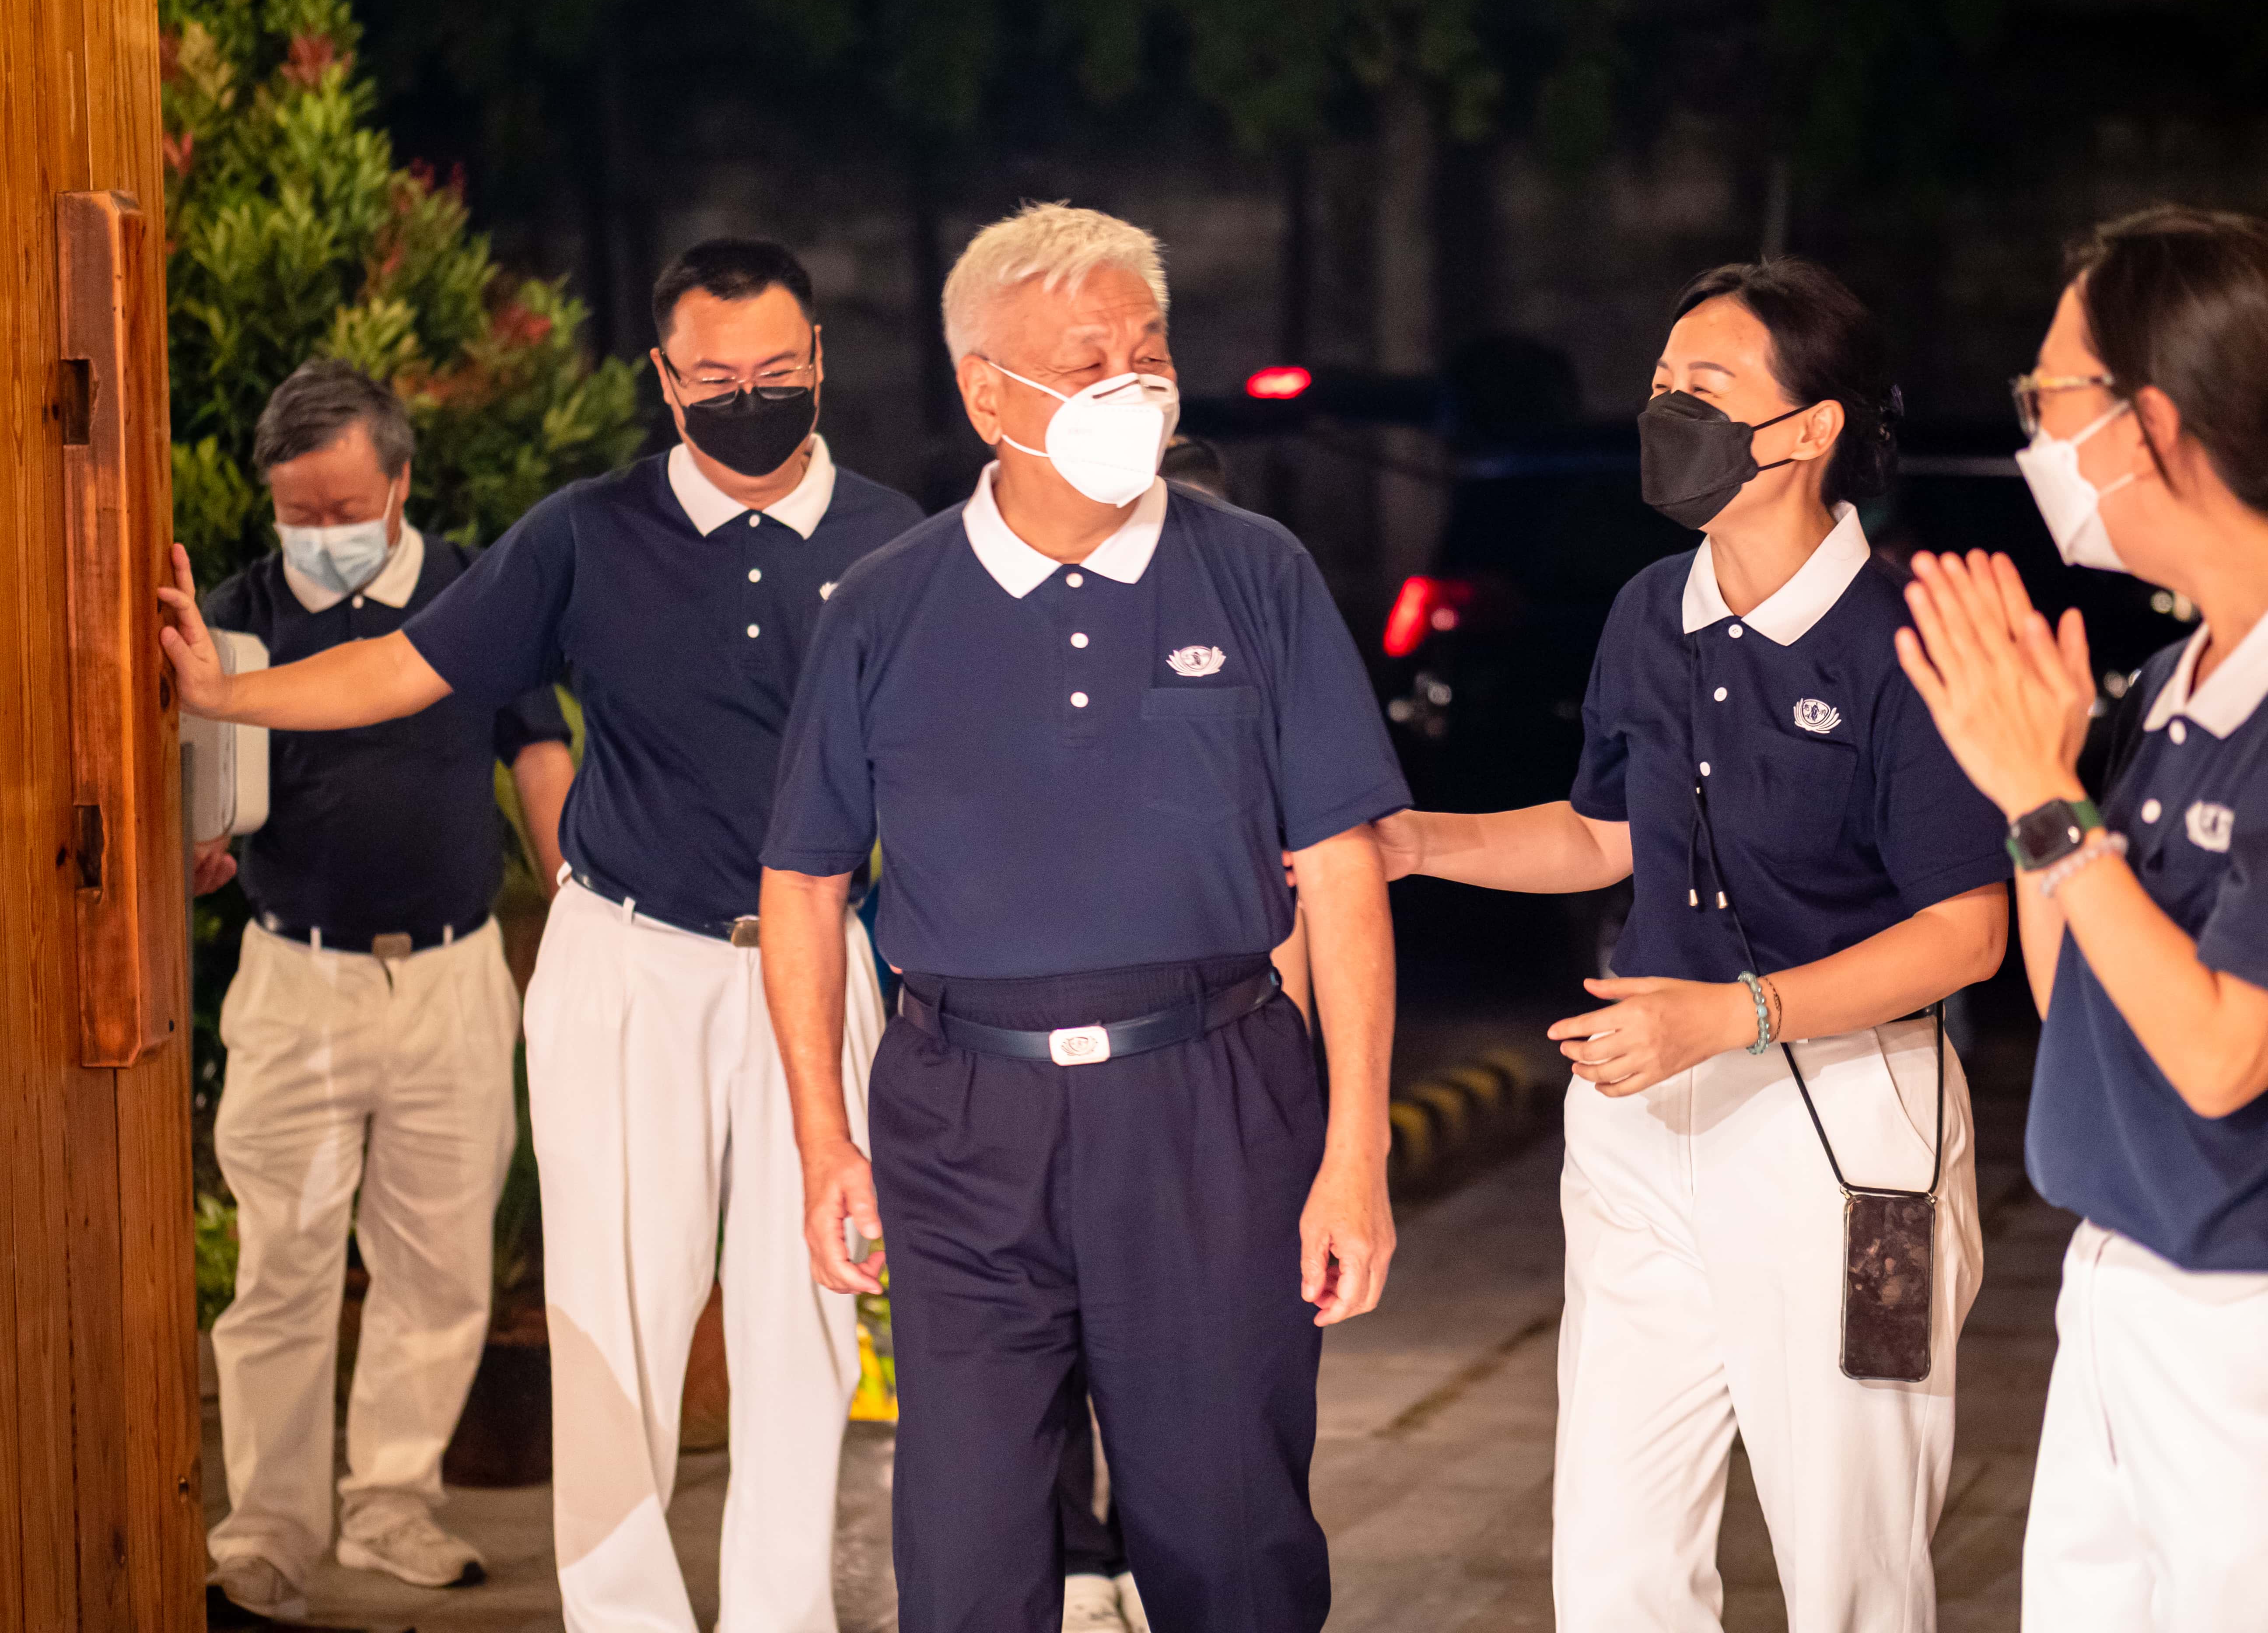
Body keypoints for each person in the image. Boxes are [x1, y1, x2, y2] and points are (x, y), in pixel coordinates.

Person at [160, 241, 923, 1633]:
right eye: (714, 378)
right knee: (611, 1327)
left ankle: (781, 1616)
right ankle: (624, 1616)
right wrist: (225, 693)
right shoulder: (586, 530)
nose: (747, 399)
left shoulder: (901, 542)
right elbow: (407, 664)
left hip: (821, 969)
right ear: (663, 379)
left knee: (804, 1322)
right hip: (631, 963)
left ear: (818, 359)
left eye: (774, 372)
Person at [760, 202, 1407, 1633]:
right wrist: (824, 1146)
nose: (1132, 383)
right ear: (988, 392)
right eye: (1085, 358)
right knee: (969, 1549)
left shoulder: (1258, 575)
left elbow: (1344, 870)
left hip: (1212, 1103)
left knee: (1230, 1544)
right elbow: (803, 882)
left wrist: (1355, 1146)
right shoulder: (884, 606)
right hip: (959, 1118)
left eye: (1149, 349)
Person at [1376, 259, 2011, 1632]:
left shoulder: (1908, 640)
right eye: (1662, 384)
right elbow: (1606, 833)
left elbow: (1967, 933)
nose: (1667, 408)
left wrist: (1733, 1018)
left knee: (1853, 1554)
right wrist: (1416, 840)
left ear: (1809, 429)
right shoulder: (1649, 615)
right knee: (1614, 1557)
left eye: (1705, 388)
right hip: (1642, 1118)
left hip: (1855, 1137)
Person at [1891, 206, 2268, 1633]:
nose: (2034, 432)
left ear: (2148, 423)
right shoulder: (2176, 683)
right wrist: (2030, 791)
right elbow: (2081, 998)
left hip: (2241, 1308)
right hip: (2116, 1272)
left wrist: (2050, 804)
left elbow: (2227, 1054)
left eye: (2051, 394)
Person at [194, 360, 574, 1623]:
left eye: (344, 505)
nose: (320, 534)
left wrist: (570, 896)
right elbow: (193, 788)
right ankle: (269, 1534)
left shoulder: (475, 593)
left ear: (400, 483)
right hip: (299, 980)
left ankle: (394, 1506)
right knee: (284, 1269)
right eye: (297, 513)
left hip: (457, 974)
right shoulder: (239, 622)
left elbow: (538, 745)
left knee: (439, 1263)